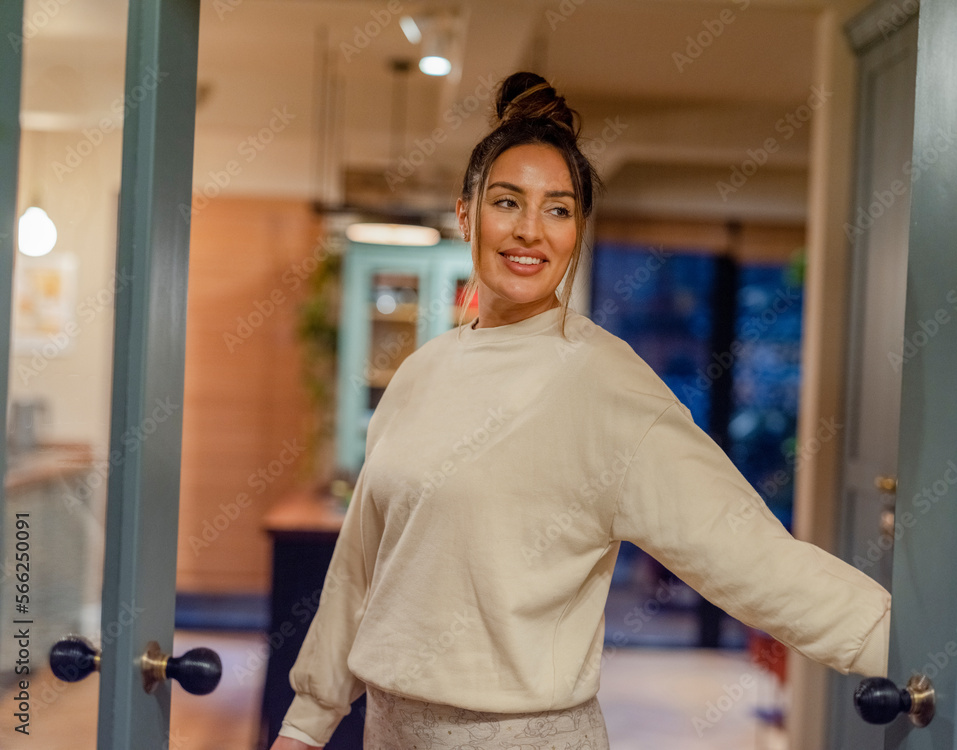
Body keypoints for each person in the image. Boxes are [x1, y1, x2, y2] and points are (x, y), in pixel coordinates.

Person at [270, 71, 890, 750]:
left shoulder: (605, 384)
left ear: (578, 230)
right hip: (388, 732)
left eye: (558, 209)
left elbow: (752, 556)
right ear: (466, 215)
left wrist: (919, 645)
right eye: (508, 202)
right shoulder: (420, 374)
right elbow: (360, 567)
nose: (531, 231)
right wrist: (306, 723)